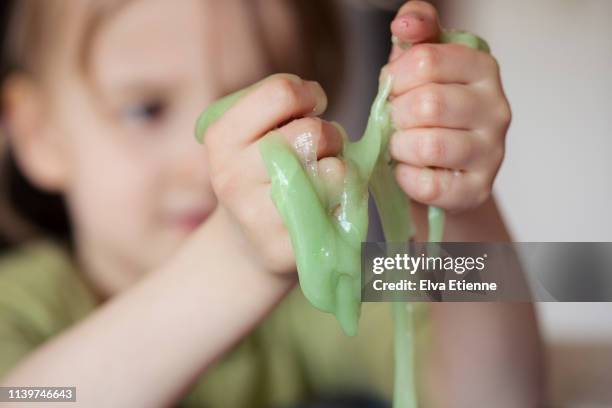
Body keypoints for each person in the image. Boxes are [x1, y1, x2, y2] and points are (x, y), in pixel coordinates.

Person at [0, 0, 542, 406]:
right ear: (39, 133)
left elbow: (497, 395)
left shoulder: (313, 294)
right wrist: (232, 264)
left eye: (261, 116)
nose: (204, 163)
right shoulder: (21, 302)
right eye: (146, 109)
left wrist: (450, 198)